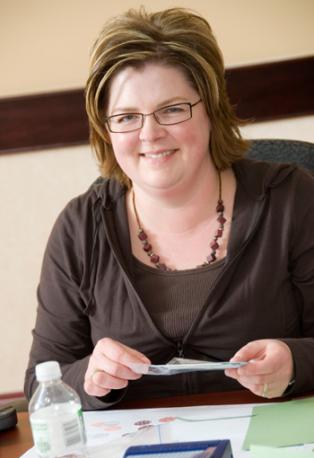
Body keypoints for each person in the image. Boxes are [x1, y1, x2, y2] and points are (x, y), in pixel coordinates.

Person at [24, 7, 314, 411]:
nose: (150, 133)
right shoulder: (79, 228)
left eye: (173, 109)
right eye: (126, 117)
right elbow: (42, 386)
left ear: (211, 109)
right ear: (106, 131)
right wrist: (91, 377)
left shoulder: (292, 199)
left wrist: (299, 362)